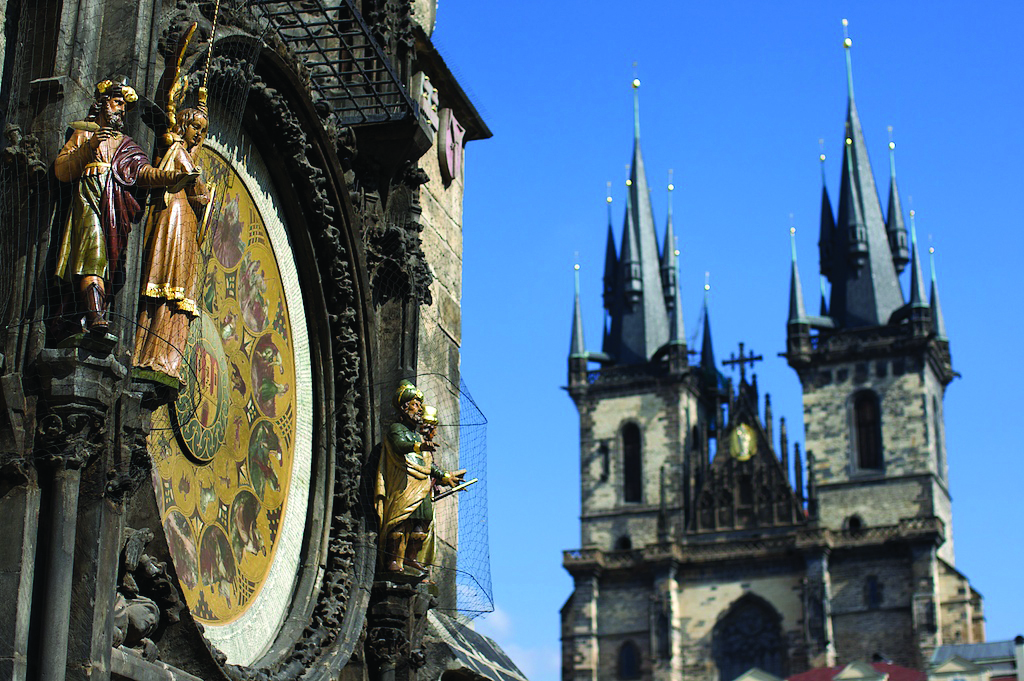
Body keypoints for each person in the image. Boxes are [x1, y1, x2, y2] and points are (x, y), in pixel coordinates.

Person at [54, 77, 198, 332]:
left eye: (124, 106)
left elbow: (144, 173)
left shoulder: (126, 145)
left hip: (114, 209)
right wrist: (89, 147)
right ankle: (95, 315)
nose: (121, 110)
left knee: (107, 262)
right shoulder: (85, 133)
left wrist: (172, 177)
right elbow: (62, 171)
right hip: (88, 201)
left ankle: (87, 314)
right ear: (103, 103)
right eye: (117, 102)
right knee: (93, 255)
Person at [133, 96, 210, 382]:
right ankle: (152, 354)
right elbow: (196, 190)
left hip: (186, 220)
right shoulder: (177, 150)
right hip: (175, 216)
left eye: (203, 131)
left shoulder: (187, 155)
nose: (198, 134)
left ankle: (167, 358)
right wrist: (201, 190)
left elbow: (201, 195)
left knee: (180, 291)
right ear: (183, 125)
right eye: (195, 127)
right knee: (168, 283)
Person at [375, 381, 464, 573]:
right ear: (404, 407)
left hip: (421, 485)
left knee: (422, 521)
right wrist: (418, 446)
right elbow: (399, 445)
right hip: (404, 484)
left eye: (420, 405)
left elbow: (427, 464)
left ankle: (411, 557)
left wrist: (445, 476)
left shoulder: (417, 436)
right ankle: (393, 560)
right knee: (399, 521)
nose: (420, 409)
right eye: (416, 405)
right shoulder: (397, 429)